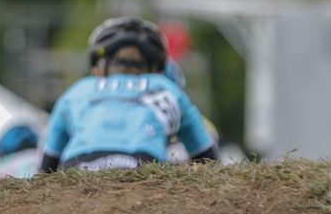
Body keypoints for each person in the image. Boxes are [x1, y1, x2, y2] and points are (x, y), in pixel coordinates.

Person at [39, 17, 219, 172]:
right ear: (156, 69)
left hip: (78, 165)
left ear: (99, 68)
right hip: (144, 164)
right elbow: (208, 159)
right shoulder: (167, 88)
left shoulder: (77, 90)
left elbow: (46, 165)